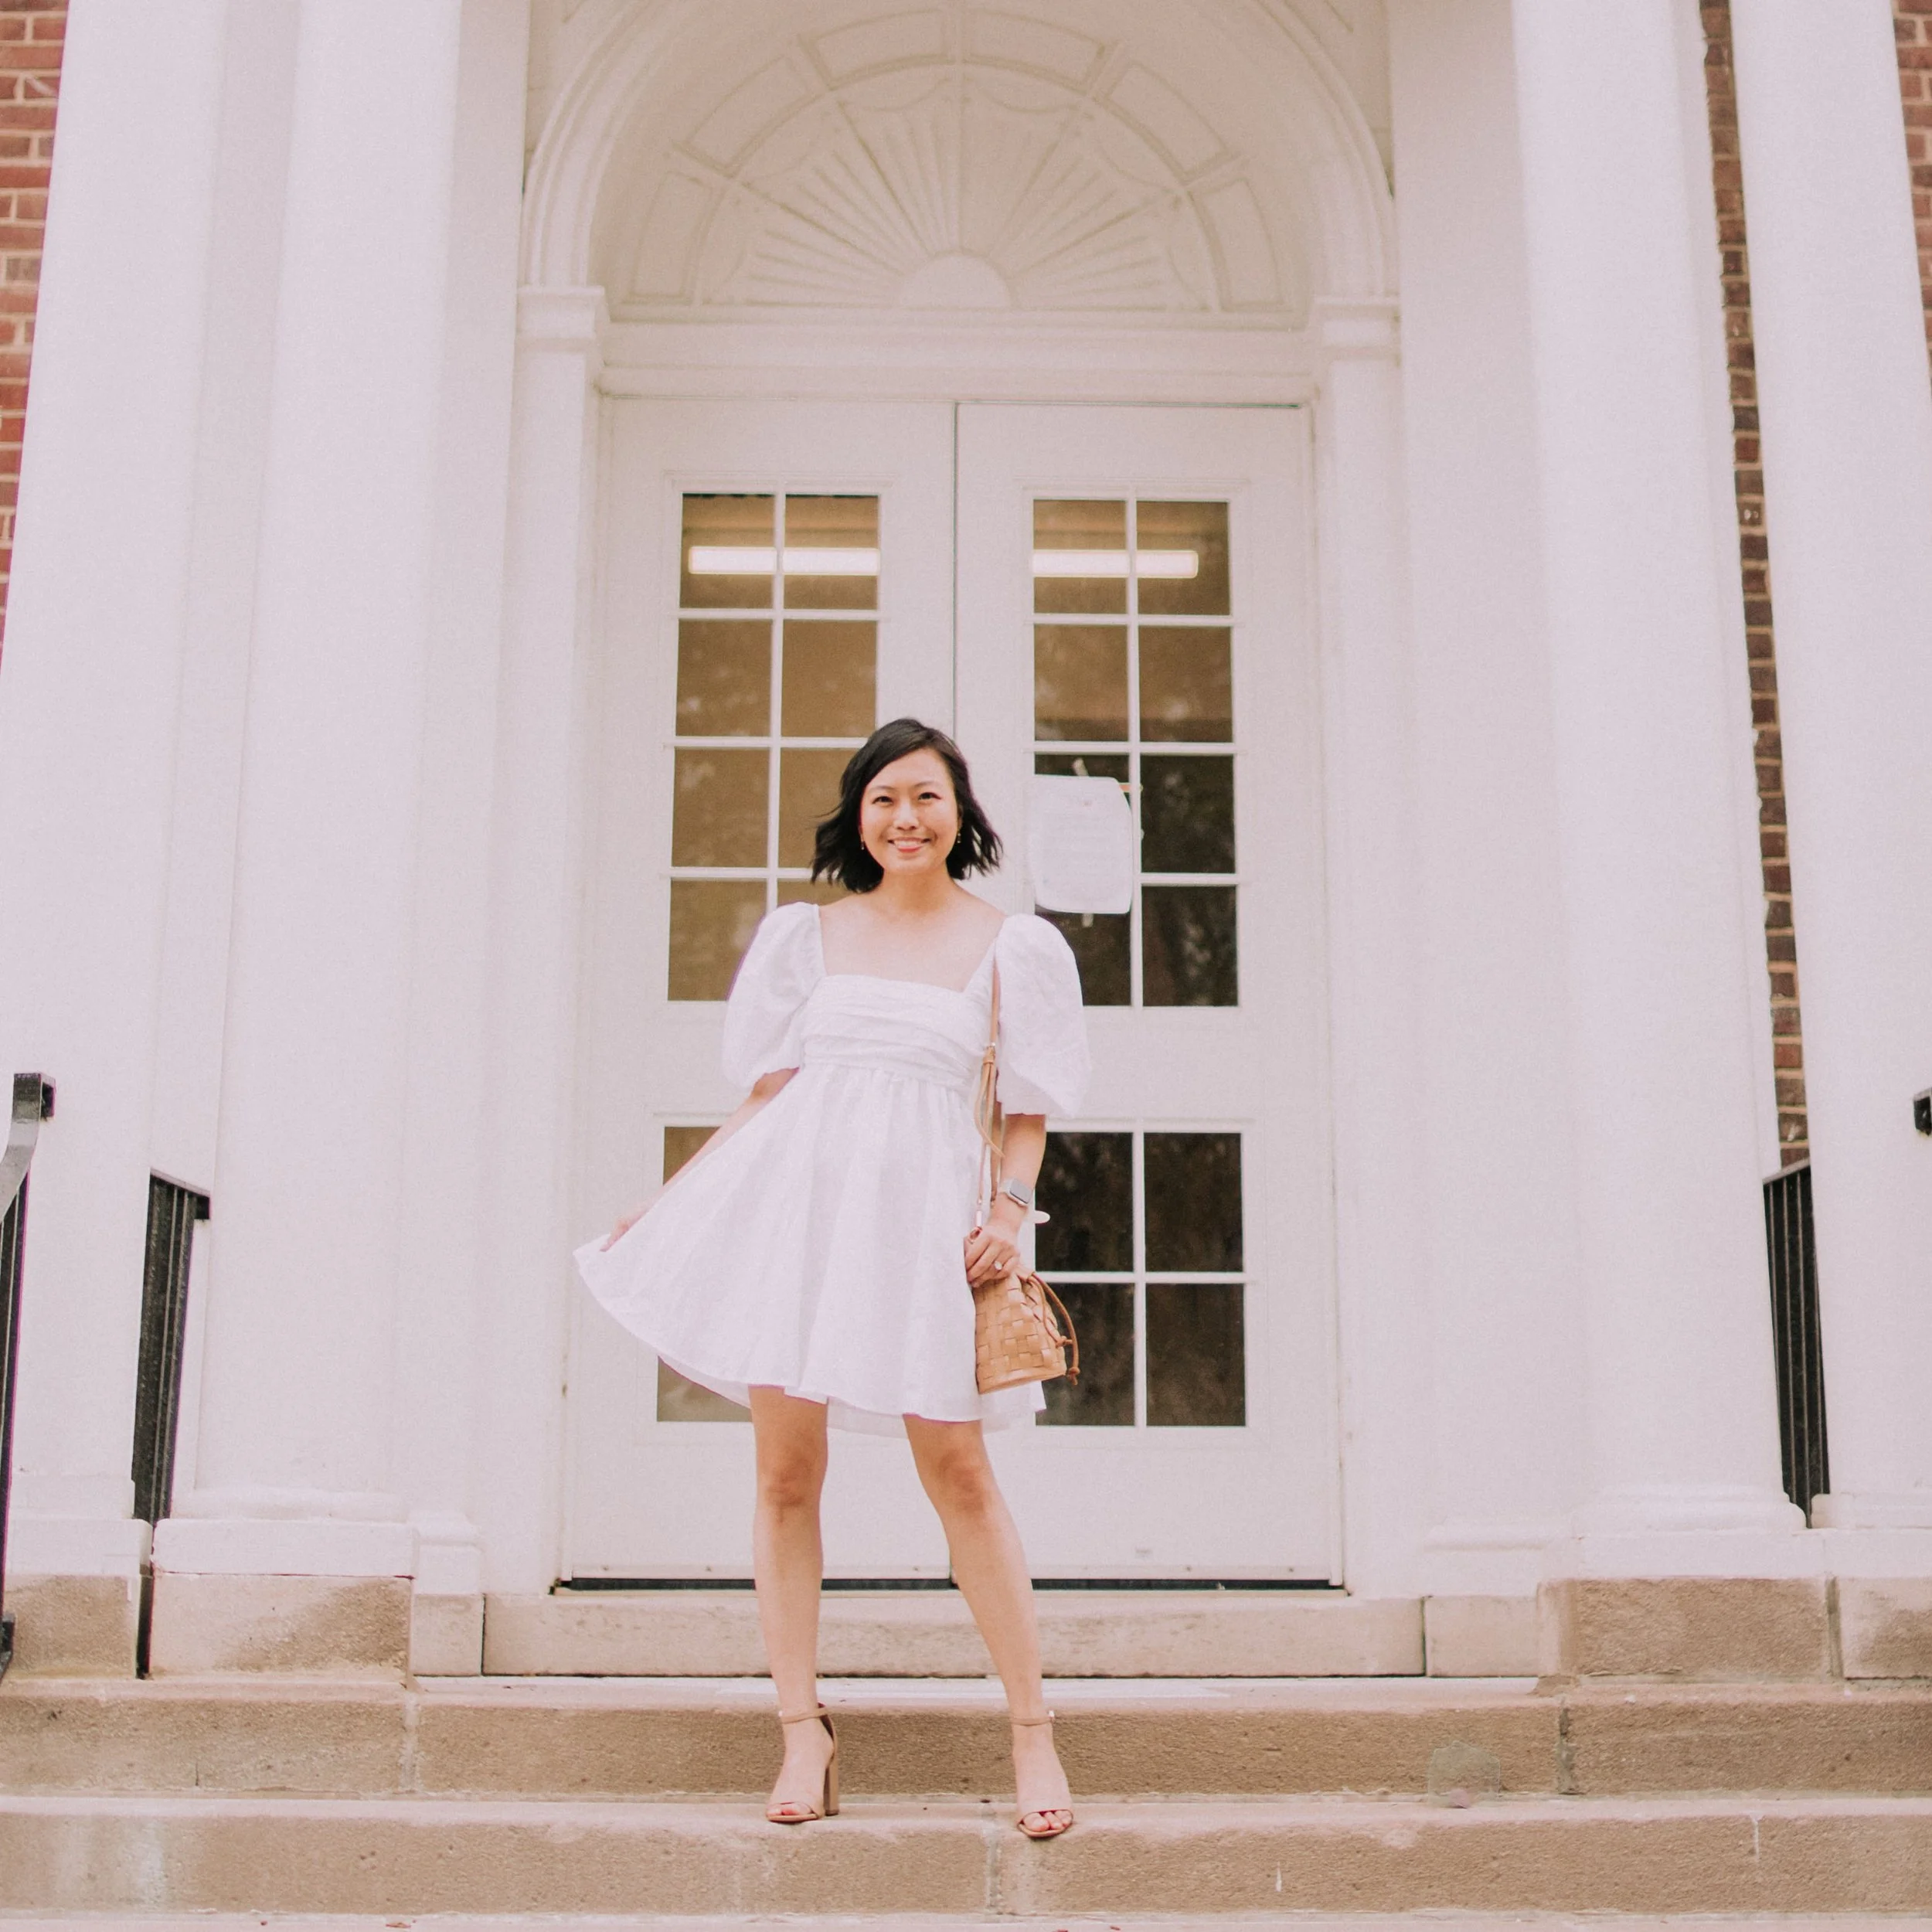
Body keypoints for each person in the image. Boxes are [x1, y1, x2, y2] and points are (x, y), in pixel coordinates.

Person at [577, 717, 1089, 1838]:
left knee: (958, 1472)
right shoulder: (806, 935)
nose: (906, 818)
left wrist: (1011, 1212)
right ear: (859, 817)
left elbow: (1026, 1110)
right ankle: (802, 1728)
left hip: (924, 1228)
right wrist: (669, 1202)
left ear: (961, 815)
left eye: (926, 797)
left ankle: (1033, 1730)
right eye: (883, 800)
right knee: (782, 1475)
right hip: (793, 1219)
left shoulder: (1013, 948)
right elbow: (769, 1098)